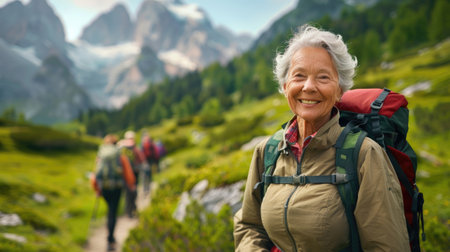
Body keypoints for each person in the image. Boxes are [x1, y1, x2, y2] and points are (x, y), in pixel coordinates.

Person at [233, 25, 410, 251]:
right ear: (286, 86)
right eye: (299, 76)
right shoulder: (267, 151)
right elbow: (249, 225)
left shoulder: (364, 154)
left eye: (323, 77)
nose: (308, 87)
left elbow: (386, 246)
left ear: (339, 90)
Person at [92, 134, 135, 251]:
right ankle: (110, 239)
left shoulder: (101, 156)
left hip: (104, 189)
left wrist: (97, 189)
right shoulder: (120, 156)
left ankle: (110, 236)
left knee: (109, 210)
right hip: (116, 188)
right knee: (113, 211)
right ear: (115, 144)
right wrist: (131, 185)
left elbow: (95, 175)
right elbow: (128, 174)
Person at [117, 130, 146, 218]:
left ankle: (128, 210)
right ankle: (132, 209)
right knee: (133, 192)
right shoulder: (134, 147)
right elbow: (142, 159)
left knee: (127, 193)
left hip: (124, 175)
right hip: (134, 173)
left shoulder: (121, 147)